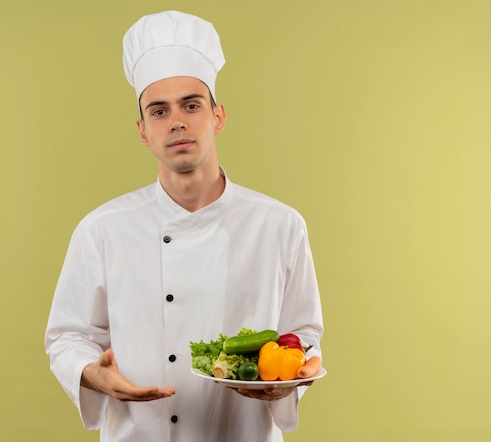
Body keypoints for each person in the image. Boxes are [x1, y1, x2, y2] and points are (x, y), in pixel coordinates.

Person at [44, 10, 324, 442]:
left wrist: (291, 376)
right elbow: (68, 336)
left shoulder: (280, 225)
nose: (176, 121)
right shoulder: (102, 229)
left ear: (218, 116)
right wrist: (92, 374)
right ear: (142, 131)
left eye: (191, 105)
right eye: (158, 111)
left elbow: (302, 334)